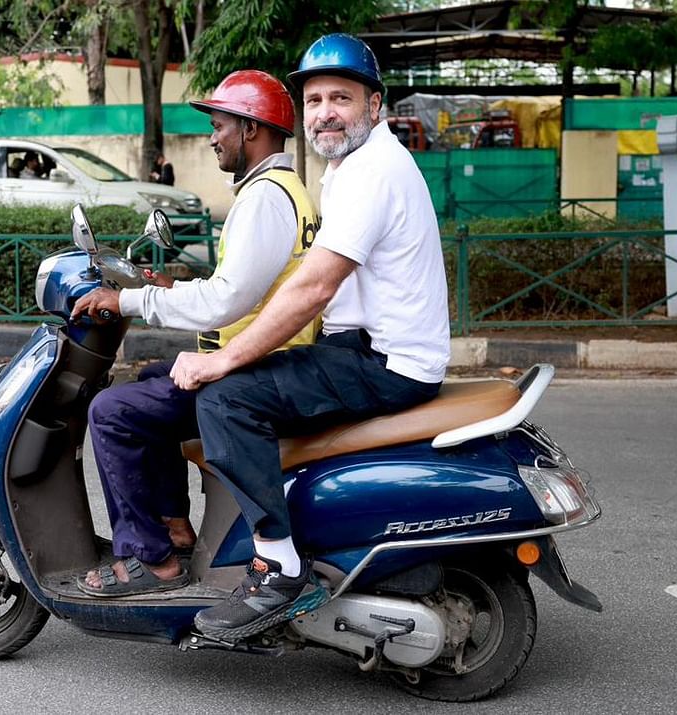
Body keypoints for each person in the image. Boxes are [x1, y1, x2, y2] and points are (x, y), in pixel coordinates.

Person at [169, 33, 451, 642]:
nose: (325, 111)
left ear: (374, 106)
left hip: (387, 362)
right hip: (366, 348)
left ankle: (279, 562)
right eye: (315, 98)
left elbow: (314, 288)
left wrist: (225, 361)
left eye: (341, 98)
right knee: (246, 377)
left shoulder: (371, 170)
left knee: (226, 397)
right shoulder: (348, 167)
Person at [68, 69, 321, 597]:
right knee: (148, 379)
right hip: (270, 359)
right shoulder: (286, 189)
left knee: (110, 413)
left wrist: (131, 299)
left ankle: (150, 559)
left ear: (251, 130)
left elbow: (230, 299)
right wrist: (175, 285)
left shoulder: (263, 198)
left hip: (255, 370)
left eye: (221, 125)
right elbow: (245, 286)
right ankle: (174, 525)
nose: (212, 138)